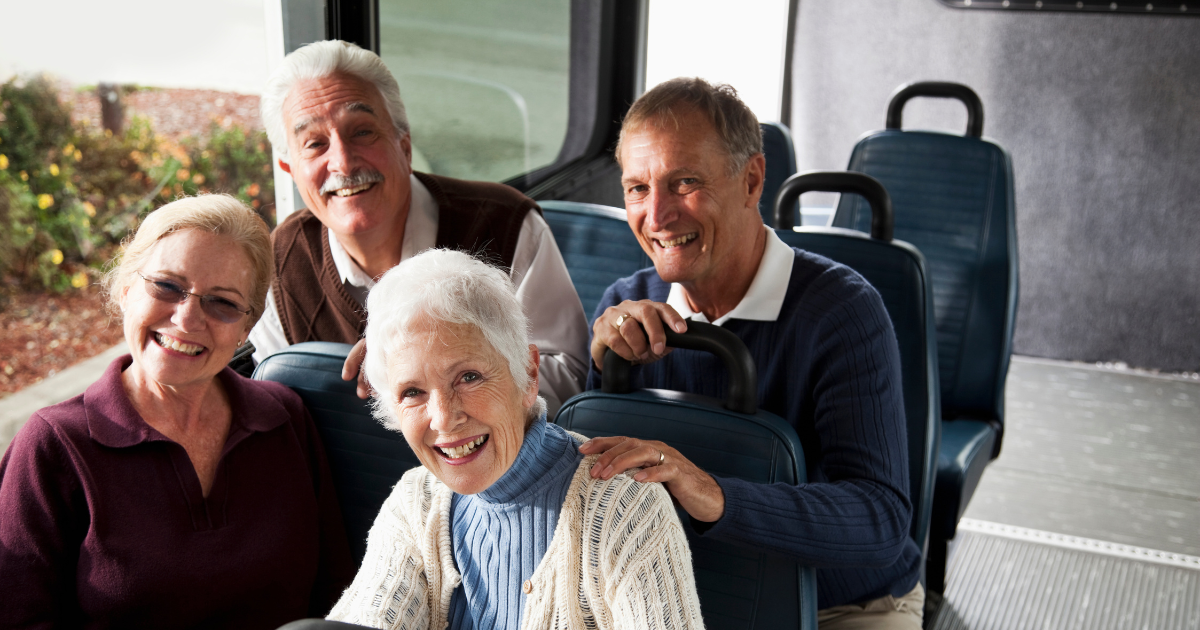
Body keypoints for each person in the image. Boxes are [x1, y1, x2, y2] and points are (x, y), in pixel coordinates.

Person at [581, 78, 924, 628]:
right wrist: (601, 370)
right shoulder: (623, 305)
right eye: (638, 189)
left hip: (839, 602)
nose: (658, 215)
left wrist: (712, 494)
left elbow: (879, 521)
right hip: (677, 590)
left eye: (685, 182)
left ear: (752, 180)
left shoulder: (844, 313)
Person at [0, 195, 355, 628]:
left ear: (247, 327)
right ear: (127, 289)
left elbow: (340, 590)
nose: (187, 319)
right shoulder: (52, 445)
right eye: (167, 287)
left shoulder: (284, 417)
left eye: (222, 302)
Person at [326, 249, 704, 629]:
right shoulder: (414, 505)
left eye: (468, 377)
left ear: (528, 373)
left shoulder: (627, 507)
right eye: (412, 392)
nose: (444, 419)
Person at [250, 40, 589, 413]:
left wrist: (430, 360)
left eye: (362, 132)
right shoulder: (282, 260)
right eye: (314, 143)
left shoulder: (505, 224)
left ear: (404, 145)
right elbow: (280, 404)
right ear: (290, 170)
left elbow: (569, 381)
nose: (343, 163)